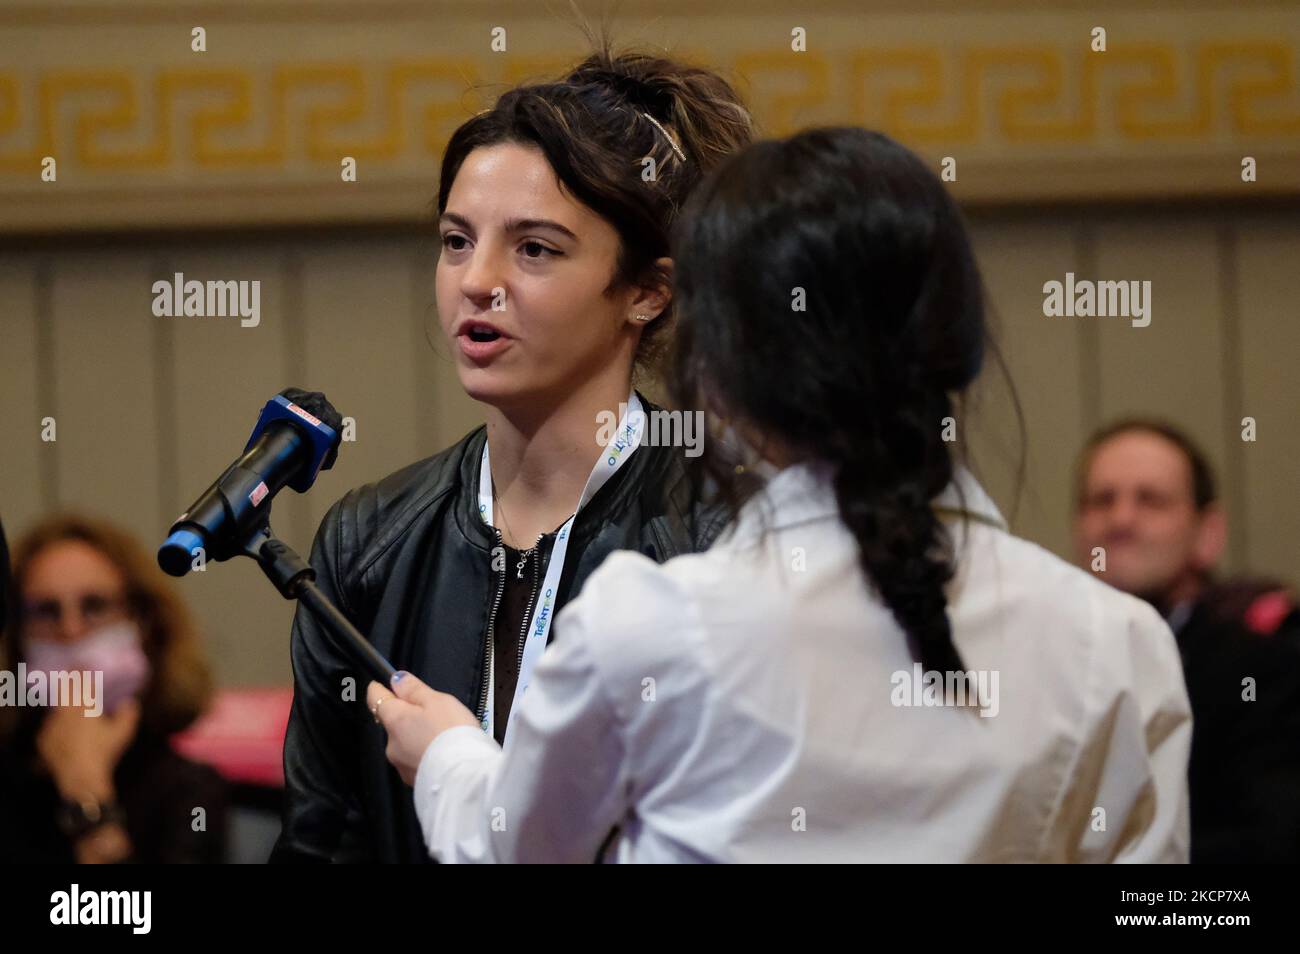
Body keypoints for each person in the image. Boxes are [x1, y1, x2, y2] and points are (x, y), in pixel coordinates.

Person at [366, 126, 1193, 863]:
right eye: (454, 241)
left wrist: (450, 758)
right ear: (960, 352)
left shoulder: (651, 626)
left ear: (715, 373)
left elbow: (515, 848)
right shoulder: (1120, 643)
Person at [270, 46, 754, 862]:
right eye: (457, 241)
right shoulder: (369, 540)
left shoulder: (728, 531)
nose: (477, 281)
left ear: (648, 291)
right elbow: (320, 844)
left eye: (535, 249)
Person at [1073, 418, 1300, 862]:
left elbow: (1274, 841)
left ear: (1207, 533)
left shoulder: (1267, 660)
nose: (1120, 519)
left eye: (1150, 500)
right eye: (1102, 500)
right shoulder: (1049, 656)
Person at [0, 514, 227, 863]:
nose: (71, 630)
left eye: (95, 606)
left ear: (143, 622)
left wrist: (87, 795)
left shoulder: (190, 791)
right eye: (46, 611)